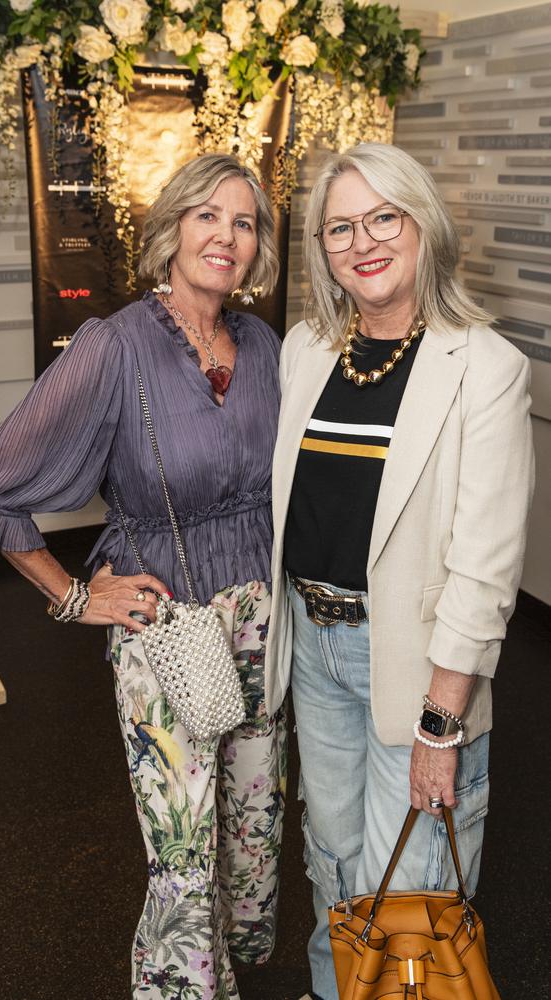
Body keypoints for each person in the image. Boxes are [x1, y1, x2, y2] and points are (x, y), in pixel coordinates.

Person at [0, 153, 287, 999]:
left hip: (263, 621)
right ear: (172, 228)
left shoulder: (263, 342)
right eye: (207, 215)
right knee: (182, 848)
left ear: (256, 248)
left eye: (243, 223)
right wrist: (71, 594)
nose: (225, 236)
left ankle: (243, 961)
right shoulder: (114, 345)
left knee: (254, 823)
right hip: (167, 626)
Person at [264, 142, 534, 1000]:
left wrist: (441, 724)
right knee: (334, 855)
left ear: (424, 226)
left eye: (385, 217)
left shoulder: (484, 367)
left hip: (415, 663)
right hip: (314, 642)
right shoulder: (307, 349)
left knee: (412, 875)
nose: (364, 241)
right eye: (340, 226)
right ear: (321, 247)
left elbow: (484, 571)